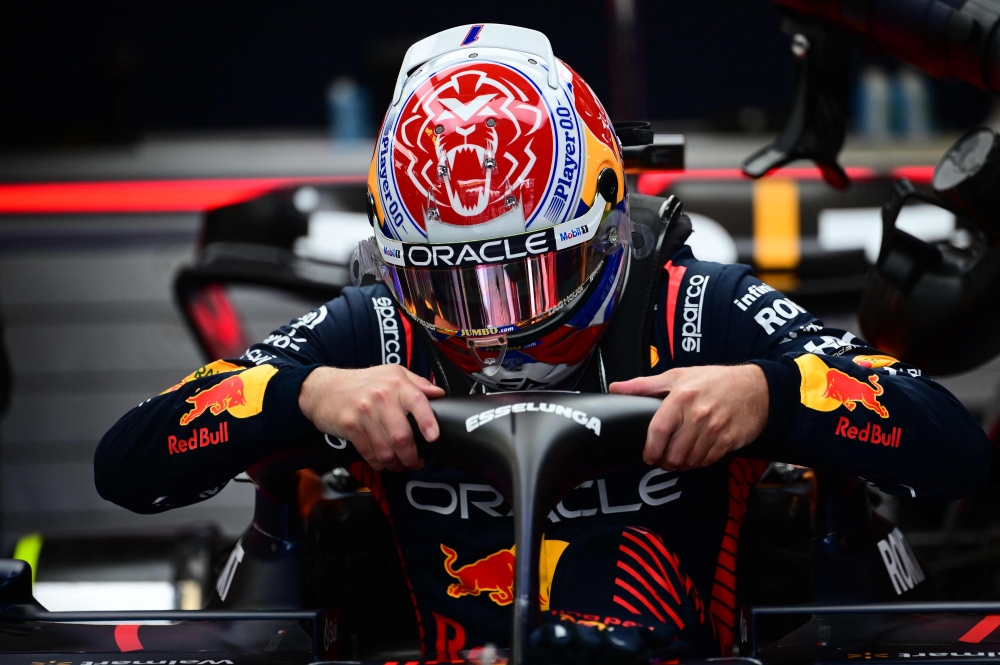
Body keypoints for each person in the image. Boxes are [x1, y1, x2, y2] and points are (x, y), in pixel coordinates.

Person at [95, 23, 990, 659]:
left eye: (524, 275)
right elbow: (128, 462)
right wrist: (305, 395)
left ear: (604, 223)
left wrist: (773, 395)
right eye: (449, 283)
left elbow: (950, 445)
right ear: (397, 262)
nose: (492, 324)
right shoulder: (372, 331)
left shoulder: (691, 312)